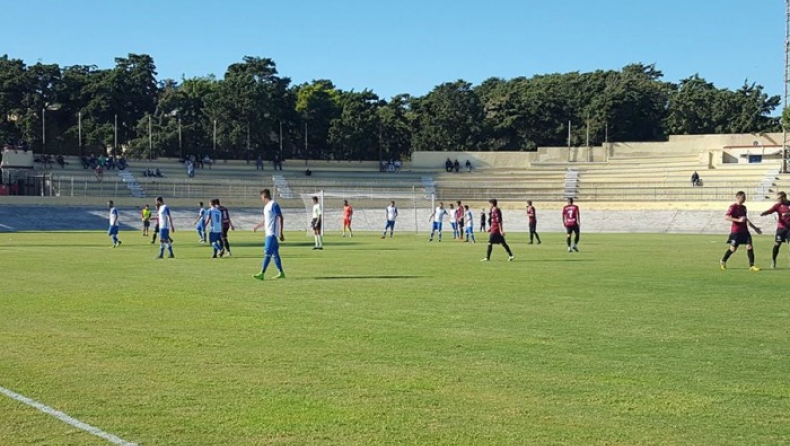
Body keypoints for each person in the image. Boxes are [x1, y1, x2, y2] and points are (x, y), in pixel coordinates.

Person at [721, 191, 762, 271]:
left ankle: (752, 266)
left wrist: (755, 228)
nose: (745, 199)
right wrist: (738, 220)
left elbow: (746, 219)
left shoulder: (744, 208)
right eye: (743, 197)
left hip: (745, 231)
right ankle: (723, 261)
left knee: (749, 246)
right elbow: (726, 217)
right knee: (733, 249)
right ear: (738, 197)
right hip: (736, 232)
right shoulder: (733, 207)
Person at [252, 188, 285, 280]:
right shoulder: (266, 207)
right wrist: (257, 226)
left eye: (261, 197)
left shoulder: (273, 205)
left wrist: (280, 232)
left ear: (264, 196)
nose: (261, 199)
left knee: (267, 253)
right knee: (275, 254)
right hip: (269, 233)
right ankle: (281, 273)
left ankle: (262, 273)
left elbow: (280, 217)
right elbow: (266, 220)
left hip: (272, 234)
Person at [759, 191, 790, 269]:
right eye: (777, 198)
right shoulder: (777, 206)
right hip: (781, 228)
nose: (778, 200)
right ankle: (773, 260)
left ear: (784, 197)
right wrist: (764, 213)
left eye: (779, 198)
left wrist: (788, 214)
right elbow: (770, 210)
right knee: (777, 244)